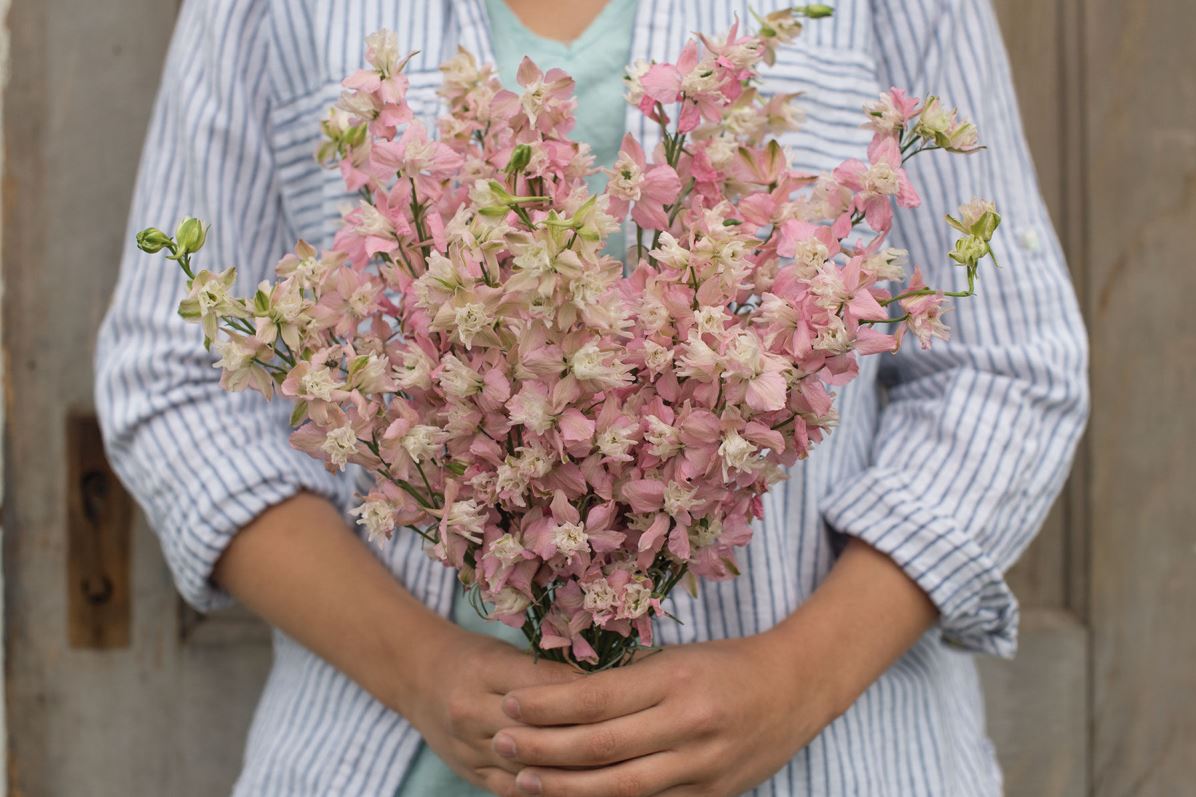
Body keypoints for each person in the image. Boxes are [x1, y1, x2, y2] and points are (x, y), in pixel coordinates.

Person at [94, 0, 1089, 794]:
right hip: (397, 757)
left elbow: (1006, 368)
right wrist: (424, 670)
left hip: (834, 756)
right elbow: (175, 377)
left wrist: (791, 682)